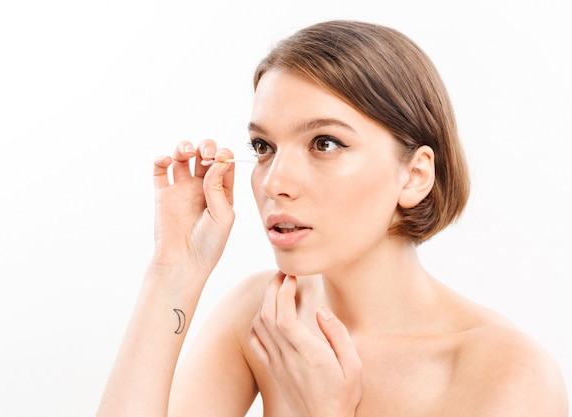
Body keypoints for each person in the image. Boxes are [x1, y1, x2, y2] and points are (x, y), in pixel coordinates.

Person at [96, 20, 568, 416]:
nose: (274, 181)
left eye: (325, 143)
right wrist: (173, 272)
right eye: (263, 147)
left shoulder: (510, 375)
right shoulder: (261, 319)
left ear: (415, 175)